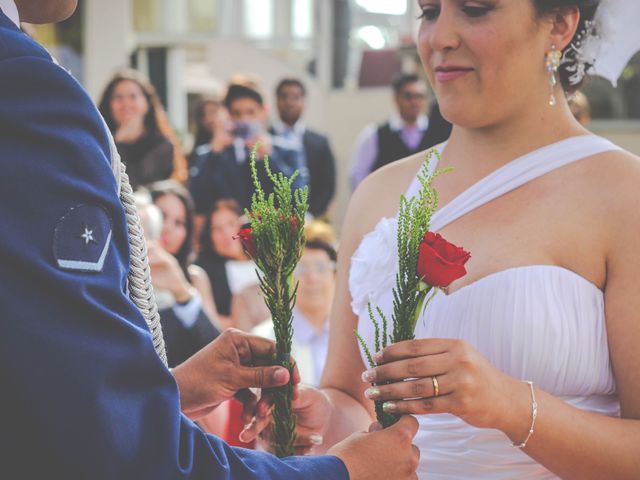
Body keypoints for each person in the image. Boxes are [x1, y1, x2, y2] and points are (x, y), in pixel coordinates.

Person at [0, 2, 422, 478]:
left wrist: (167, 390)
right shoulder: (22, 84)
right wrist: (345, 472)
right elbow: (135, 455)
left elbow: (34, 387)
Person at [244, 0, 640, 478]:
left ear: (559, 24)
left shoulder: (622, 194)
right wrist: (319, 418)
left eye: (474, 10)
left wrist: (512, 406)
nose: (439, 37)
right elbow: (353, 396)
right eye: (429, 11)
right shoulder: (379, 194)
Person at [189, 83, 304, 227]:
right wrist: (214, 152)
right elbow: (197, 200)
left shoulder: (288, 150)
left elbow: (298, 198)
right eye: (237, 113)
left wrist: (269, 157)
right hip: (228, 237)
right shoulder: (210, 154)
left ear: (263, 112)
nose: (244, 119)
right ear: (228, 115)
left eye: (251, 112)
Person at [142, 181, 220, 366]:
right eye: (162, 215)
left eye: (179, 222)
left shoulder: (195, 278)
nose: (168, 227)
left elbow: (216, 347)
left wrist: (182, 293)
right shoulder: (122, 273)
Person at [253, 226, 338, 387]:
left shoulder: (353, 334)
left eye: (321, 268)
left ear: (335, 274)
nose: (312, 278)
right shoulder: (265, 338)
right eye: (302, 269)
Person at [350, 73, 451, 189]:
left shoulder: (439, 133)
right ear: (396, 99)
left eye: (419, 96)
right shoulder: (375, 135)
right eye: (408, 96)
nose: (414, 102)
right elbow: (358, 175)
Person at [98, 68, 188, 189]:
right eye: (118, 97)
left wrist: (119, 144)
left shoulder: (162, 145)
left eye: (133, 96)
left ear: (146, 103)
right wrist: (116, 141)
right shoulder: (98, 142)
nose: (126, 103)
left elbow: (133, 184)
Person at [196, 199, 269, 331]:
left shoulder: (269, 258)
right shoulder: (206, 272)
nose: (226, 233)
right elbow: (211, 319)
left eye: (231, 224)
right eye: (217, 229)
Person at [270, 78, 337, 218]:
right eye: (284, 97)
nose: (289, 102)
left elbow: (327, 185)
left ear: (304, 102)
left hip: (311, 220)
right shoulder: (265, 139)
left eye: (296, 97)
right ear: (276, 101)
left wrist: (310, 215)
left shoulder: (320, 142)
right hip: (271, 219)